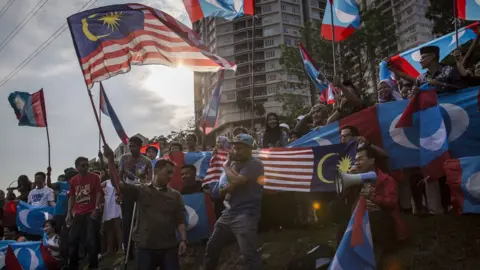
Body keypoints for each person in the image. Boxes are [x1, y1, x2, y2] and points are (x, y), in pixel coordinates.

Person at [103, 145, 187, 270]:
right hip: (145, 248)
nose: (170, 176)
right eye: (168, 172)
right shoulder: (140, 190)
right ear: (157, 171)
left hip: (169, 247)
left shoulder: (175, 195)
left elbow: (180, 220)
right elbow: (117, 183)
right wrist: (110, 159)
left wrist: (183, 240)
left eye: (172, 174)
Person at [203, 134, 264, 270]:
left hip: (246, 213)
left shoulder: (255, 164)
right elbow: (227, 187)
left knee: (249, 253)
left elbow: (236, 181)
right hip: (229, 212)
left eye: (240, 148)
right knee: (212, 246)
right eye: (235, 148)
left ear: (249, 148)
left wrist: (225, 165)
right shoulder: (235, 164)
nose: (236, 151)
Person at [349, 147, 408, 267]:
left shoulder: (387, 180)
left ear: (372, 160)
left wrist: (374, 198)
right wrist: (352, 185)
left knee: (378, 218)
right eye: (355, 160)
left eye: (360, 159)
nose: (357, 163)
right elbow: (351, 209)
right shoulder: (358, 181)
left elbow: (392, 202)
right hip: (365, 224)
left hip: (385, 224)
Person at [118, 136, 152, 260]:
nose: (132, 148)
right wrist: (120, 186)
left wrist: (145, 187)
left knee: (142, 220)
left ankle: (143, 247)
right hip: (127, 192)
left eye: (134, 146)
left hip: (142, 192)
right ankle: (127, 249)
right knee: (127, 221)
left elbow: (150, 179)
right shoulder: (124, 158)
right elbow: (119, 176)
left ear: (140, 146)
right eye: (130, 146)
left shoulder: (146, 161)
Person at [66, 156, 102, 270]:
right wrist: (69, 213)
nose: (86, 167)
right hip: (78, 213)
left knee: (91, 240)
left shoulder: (95, 177)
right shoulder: (73, 180)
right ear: (77, 167)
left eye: (87, 165)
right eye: (83, 165)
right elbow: (71, 197)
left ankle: (93, 265)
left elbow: (98, 193)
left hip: (90, 212)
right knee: (72, 239)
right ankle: (73, 265)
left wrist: (96, 209)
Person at [48, 167, 76, 233]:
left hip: (71, 214)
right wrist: (48, 175)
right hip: (59, 213)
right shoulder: (61, 184)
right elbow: (49, 185)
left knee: (69, 233)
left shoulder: (78, 185)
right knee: (58, 232)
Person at [101, 171, 122, 254]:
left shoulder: (120, 181)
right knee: (109, 229)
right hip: (108, 207)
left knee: (118, 227)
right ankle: (110, 249)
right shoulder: (106, 182)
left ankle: (120, 248)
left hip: (117, 206)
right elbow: (98, 187)